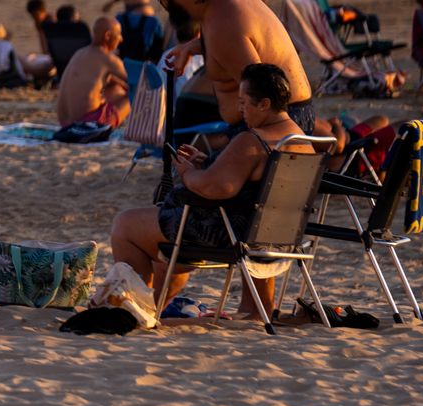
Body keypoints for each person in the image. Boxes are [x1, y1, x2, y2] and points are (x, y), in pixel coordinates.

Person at [110, 64, 318, 313]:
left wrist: (188, 173)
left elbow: (215, 188)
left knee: (125, 225)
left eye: (244, 102)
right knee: (165, 243)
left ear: (264, 104)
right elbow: (242, 178)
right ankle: (256, 309)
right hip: (277, 236)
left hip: (227, 233)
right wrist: (207, 163)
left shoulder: (253, 139)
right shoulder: (302, 141)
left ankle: (136, 311)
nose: (240, 109)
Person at [154, 0, 315, 132]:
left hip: (278, 122)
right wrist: (193, 47)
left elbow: (263, 92)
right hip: (290, 113)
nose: (160, 2)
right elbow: (246, 40)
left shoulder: (221, 25)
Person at [56, 16, 130, 128]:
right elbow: (138, 84)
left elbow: (105, 80)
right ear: (108, 36)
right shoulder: (108, 59)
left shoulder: (79, 53)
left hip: (64, 123)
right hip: (87, 125)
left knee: (116, 88)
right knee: (136, 94)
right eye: (119, 34)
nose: (121, 39)